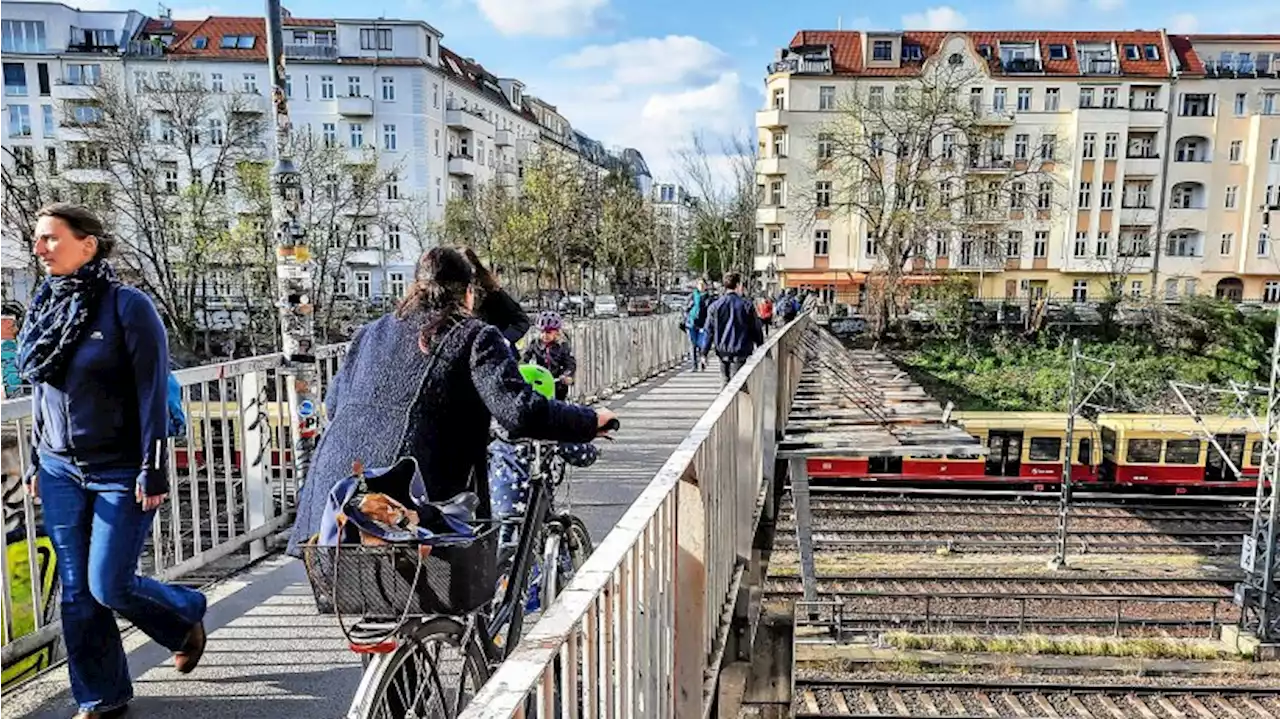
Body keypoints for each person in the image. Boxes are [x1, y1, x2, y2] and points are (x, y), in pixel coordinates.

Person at [289, 247, 617, 555]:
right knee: (461, 576)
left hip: (334, 503)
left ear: (414, 288)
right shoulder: (475, 335)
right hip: (406, 501)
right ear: (468, 294)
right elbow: (519, 412)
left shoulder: (369, 333)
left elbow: (333, 406)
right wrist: (589, 421)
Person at [21, 203, 207, 719]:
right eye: (39, 239)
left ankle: (186, 612)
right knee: (77, 593)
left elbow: (151, 393)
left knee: (109, 583)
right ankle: (102, 698)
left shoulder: (128, 307)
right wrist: (38, 459)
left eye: (51, 238)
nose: (41, 248)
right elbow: (42, 392)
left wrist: (153, 465)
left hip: (120, 470)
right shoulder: (44, 307)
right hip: (59, 468)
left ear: (88, 244)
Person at [460, 246, 530, 350]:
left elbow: (522, 321)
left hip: (498, 355)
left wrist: (503, 339)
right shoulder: (447, 300)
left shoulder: (493, 293)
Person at [705, 272, 764, 386]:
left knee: (725, 380)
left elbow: (709, 330)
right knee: (738, 383)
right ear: (738, 285)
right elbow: (755, 328)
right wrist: (760, 344)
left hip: (722, 350)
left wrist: (704, 352)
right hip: (740, 349)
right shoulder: (746, 305)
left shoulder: (715, 306)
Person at [522, 311, 576, 400]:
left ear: (557, 332)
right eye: (542, 332)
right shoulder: (535, 344)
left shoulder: (562, 346)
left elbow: (570, 364)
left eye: (548, 332)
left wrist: (567, 375)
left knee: (558, 407)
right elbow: (525, 358)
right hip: (540, 381)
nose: (544, 335)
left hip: (557, 383)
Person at [683, 278, 713, 371]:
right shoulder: (692, 296)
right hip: (691, 323)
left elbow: (710, 312)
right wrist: (686, 316)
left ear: (706, 286)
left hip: (703, 324)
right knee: (692, 344)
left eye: (703, 284)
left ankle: (702, 362)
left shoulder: (709, 298)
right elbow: (685, 308)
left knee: (702, 344)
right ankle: (694, 365)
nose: (701, 286)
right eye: (699, 284)